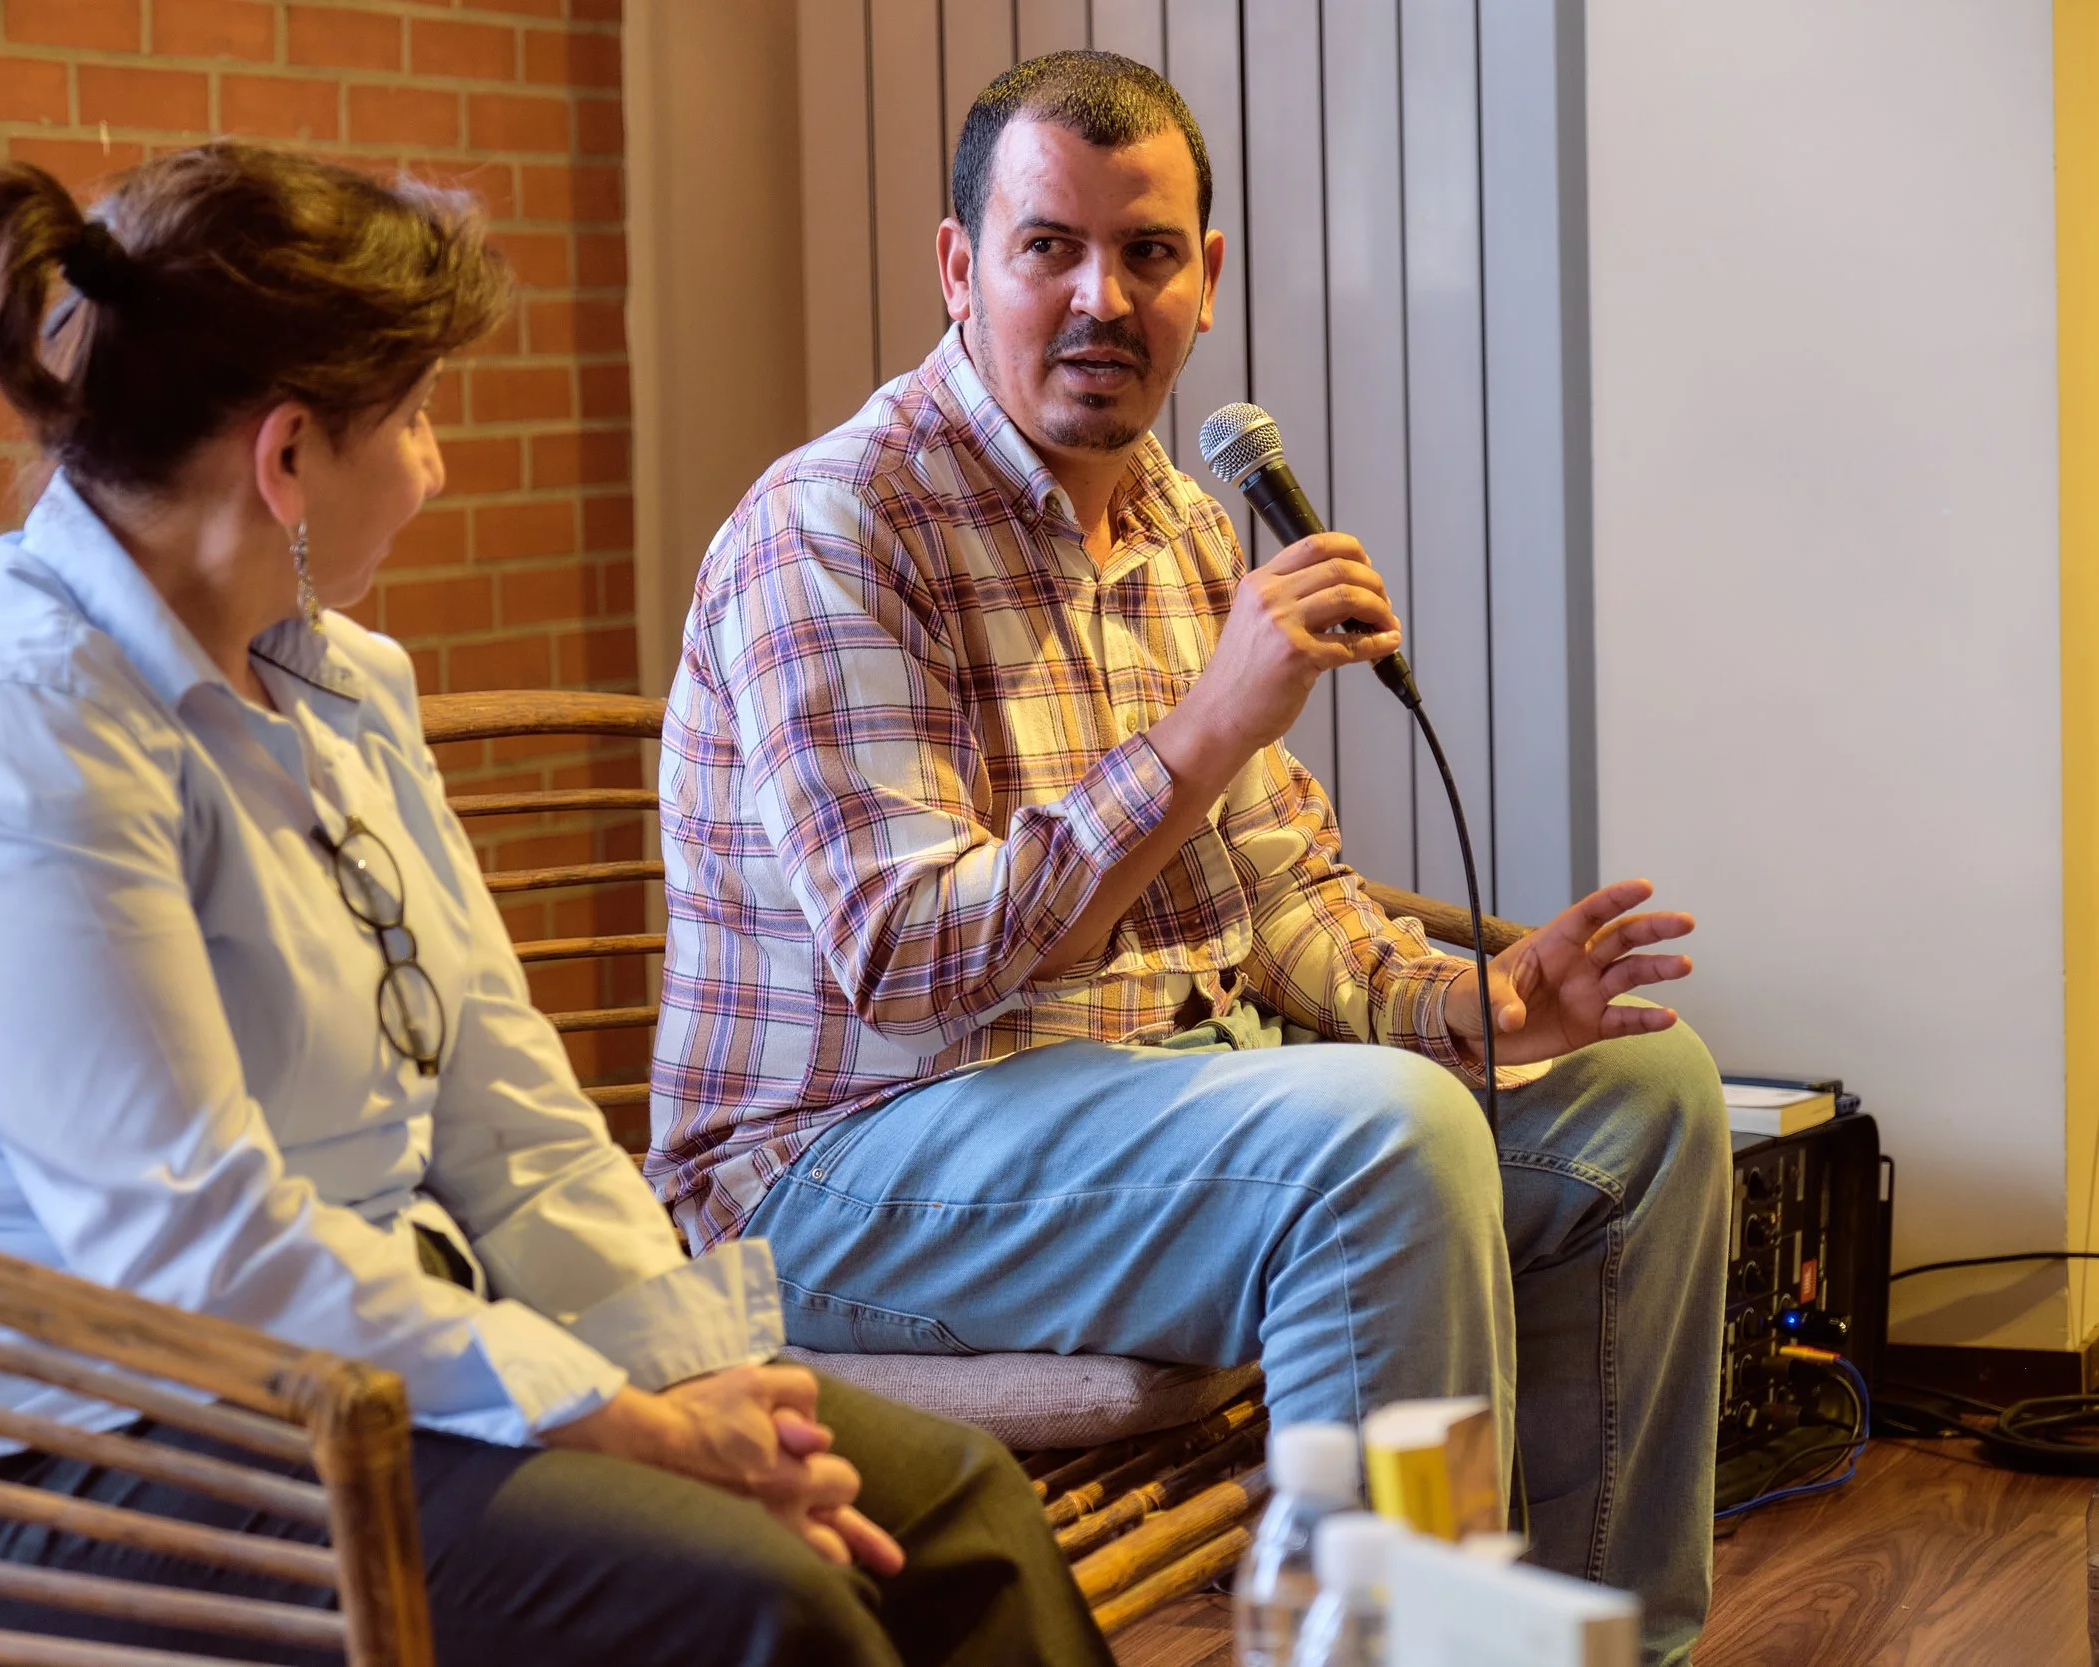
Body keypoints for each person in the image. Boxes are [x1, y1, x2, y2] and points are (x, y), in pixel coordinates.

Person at [0, 143, 1108, 1667]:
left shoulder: (343, 686)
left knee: (955, 1507)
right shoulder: (13, 738)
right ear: (286, 461)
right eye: (410, 418)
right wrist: (624, 1428)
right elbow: (201, 1248)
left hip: (359, 1379)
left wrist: (687, 1383)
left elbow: (509, 1114)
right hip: (33, 1463)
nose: (436, 462)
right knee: (759, 1595)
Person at [651, 51, 1727, 1667]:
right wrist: (1211, 722)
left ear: (1206, 280)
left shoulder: (1180, 522)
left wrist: (1487, 999)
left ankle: (1597, 1650)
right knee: (1373, 1143)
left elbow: (1275, 902)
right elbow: (905, 961)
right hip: (835, 1168)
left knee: (1648, 1100)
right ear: (960, 267)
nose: (1103, 296)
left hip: (1136, 1111)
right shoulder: (836, 526)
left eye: (1146, 253)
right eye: (1047, 248)